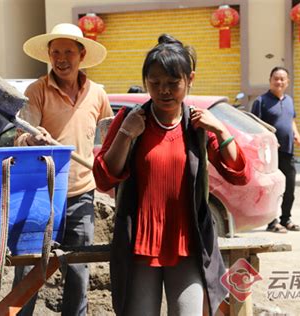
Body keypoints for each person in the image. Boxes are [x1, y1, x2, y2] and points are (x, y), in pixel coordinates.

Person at [93, 34, 250, 316]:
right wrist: (127, 133)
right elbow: (105, 177)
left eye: (172, 83)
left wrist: (222, 130)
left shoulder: (198, 125)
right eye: (155, 83)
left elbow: (239, 174)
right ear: (145, 82)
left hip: (187, 244)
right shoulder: (131, 120)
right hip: (139, 246)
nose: (164, 91)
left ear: (189, 80)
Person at [13, 23, 113, 315]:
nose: (61, 58)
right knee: (30, 268)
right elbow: (20, 137)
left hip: (81, 194)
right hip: (40, 195)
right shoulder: (36, 91)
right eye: (55, 52)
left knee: (79, 271)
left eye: (68, 51)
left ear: (82, 54)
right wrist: (31, 138)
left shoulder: (97, 94)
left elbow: (109, 138)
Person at [251, 66, 300, 233]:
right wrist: (270, 140)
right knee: (272, 189)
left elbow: (291, 120)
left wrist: (297, 134)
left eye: (282, 79)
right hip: (269, 154)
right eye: (276, 78)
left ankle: (286, 219)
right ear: (270, 81)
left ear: (287, 82)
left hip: (288, 151)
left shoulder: (289, 100)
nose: (279, 82)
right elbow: (255, 126)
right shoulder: (261, 101)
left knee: (289, 187)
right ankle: (272, 222)